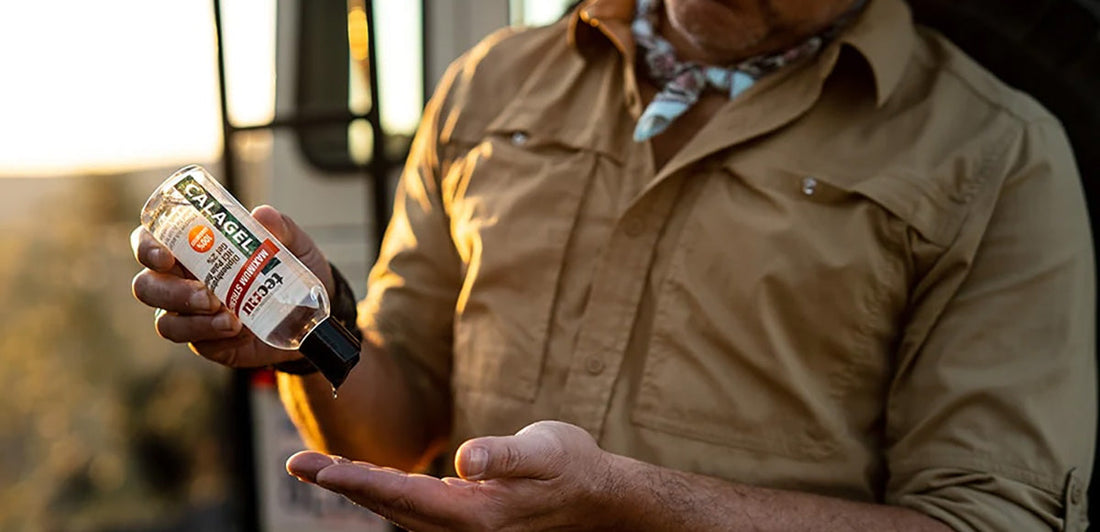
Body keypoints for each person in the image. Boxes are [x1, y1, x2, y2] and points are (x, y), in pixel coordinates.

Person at [131, 0, 1096, 529]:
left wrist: (635, 502)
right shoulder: (491, 82)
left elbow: (988, 523)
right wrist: (312, 331)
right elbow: (396, 423)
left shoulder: (999, 155)